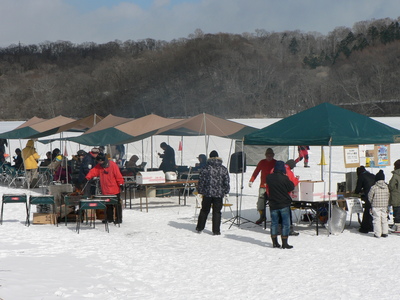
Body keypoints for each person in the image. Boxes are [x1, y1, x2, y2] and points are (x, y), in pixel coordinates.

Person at [196, 150, 230, 235]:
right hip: (219, 194)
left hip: (207, 193)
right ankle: (216, 231)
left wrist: (200, 190)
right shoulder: (223, 168)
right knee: (217, 212)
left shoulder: (205, 168)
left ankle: (200, 227)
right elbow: (226, 181)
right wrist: (226, 191)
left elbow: (201, 181)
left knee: (204, 210)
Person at [85, 153, 125, 224]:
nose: (100, 163)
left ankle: (119, 219)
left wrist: (121, 183)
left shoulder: (112, 165)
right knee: (107, 205)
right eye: (99, 162)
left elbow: (118, 175)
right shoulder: (99, 167)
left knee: (117, 204)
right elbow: (93, 171)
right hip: (105, 189)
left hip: (114, 189)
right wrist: (87, 177)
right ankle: (110, 218)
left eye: (101, 161)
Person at [266, 160, 295, 249]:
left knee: (274, 223)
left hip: (273, 203)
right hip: (283, 203)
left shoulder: (269, 177)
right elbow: (291, 186)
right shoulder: (284, 178)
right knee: (285, 224)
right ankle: (284, 243)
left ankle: (275, 242)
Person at [248, 148, 276, 224]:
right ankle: (262, 216)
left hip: (273, 187)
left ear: (273, 155)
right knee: (260, 202)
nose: (269, 157)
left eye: (271, 155)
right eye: (268, 155)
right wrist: (251, 180)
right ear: (265, 155)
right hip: (263, 186)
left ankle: (274, 217)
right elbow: (256, 171)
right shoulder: (262, 162)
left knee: (273, 202)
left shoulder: (275, 163)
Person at [368, 170, 389, 238]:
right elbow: (388, 195)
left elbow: (370, 196)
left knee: (376, 219)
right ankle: (385, 232)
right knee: (384, 219)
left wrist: (371, 202)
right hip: (384, 205)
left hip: (376, 205)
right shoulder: (386, 187)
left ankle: (377, 233)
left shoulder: (374, 187)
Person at [354, 166, 375, 233]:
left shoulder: (361, 176)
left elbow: (357, 190)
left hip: (369, 196)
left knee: (367, 212)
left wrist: (358, 192)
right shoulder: (372, 175)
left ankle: (366, 227)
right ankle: (373, 226)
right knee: (373, 212)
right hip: (376, 195)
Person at [389, 160, 400, 232]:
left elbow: (391, 186)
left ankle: (397, 226)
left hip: (396, 196)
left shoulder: (396, 175)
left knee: (396, 211)